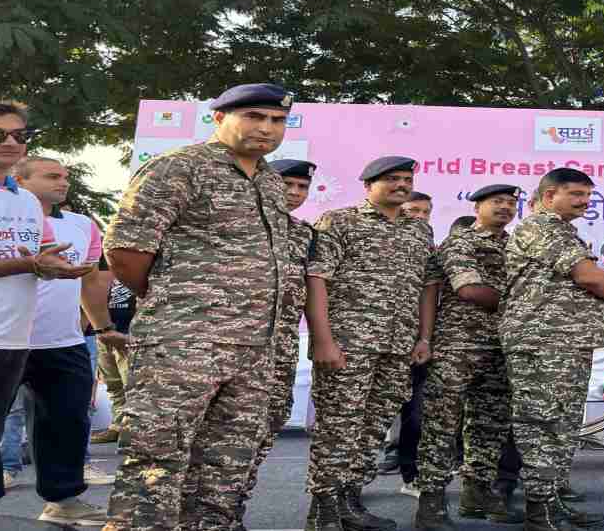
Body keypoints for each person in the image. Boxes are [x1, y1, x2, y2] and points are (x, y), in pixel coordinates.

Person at [102, 83, 295, 531]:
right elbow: (126, 251)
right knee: (155, 459)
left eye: (277, 120)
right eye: (254, 117)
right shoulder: (178, 169)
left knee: (225, 466)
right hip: (184, 342)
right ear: (219, 118)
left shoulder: (267, 178)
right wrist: (180, 303)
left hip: (253, 347)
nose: (266, 128)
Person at [502, 167, 604, 531]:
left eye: (588, 196)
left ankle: (551, 502)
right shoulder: (539, 226)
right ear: (549, 196)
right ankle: (539, 511)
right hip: (541, 341)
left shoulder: (562, 231)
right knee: (542, 423)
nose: (585, 202)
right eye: (576, 195)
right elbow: (586, 275)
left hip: (564, 342)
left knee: (563, 424)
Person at [303, 156, 440, 531]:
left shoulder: (419, 231)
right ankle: (323, 512)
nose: (401, 185)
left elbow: (429, 287)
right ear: (368, 185)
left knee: (372, 426)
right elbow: (317, 280)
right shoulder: (339, 221)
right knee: (338, 426)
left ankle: (349, 500)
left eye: (406, 179)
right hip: (349, 344)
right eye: (391, 179)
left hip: (398, 347)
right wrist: (323, 340)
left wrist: (424, 337)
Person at [0, 101, 94, 509]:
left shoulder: (23, 203)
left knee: (64, 419)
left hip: (16, 336)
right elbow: (20, 260)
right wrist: (29, 263)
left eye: (20, 135)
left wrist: (47, 266)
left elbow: (25, 258)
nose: (10, 142)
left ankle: (63, 499)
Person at [414, 185, 526, 529]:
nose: (506, 208)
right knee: (441, 425)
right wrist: (529, 304)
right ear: (478, 206)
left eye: (511, 203)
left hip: (501, 346)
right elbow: (470, 290)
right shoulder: (461, 242)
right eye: (497, 202)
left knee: (489, 425)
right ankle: (430, 503)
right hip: (457, 347)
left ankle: (477, 494)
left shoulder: (517, 246)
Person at [14, 157, 124, 506]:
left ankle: (63, 503)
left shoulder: (82, 224)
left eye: (65, 176)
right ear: (20, 179)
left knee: (67, 424)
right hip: (6, 340)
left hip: (64, 342)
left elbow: (91, 280)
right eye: (51, 176)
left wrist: (103, 327)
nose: (62, 183)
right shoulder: (8, 217)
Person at [234, 158, 319, 529]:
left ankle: (230, 506)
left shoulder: (304, 233)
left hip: (280, 345)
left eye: (303, 187)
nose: (295, 193)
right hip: (232, 343)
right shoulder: (236, 223)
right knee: (225, 431)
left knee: (268, 424)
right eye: (288, 184)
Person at [377, 191, 436, 498]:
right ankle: (351, 480)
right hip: (372, 340)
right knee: (366, 414)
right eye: (414, 210)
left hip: (413, 344)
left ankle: (410, 475)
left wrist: (424, 338)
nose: (420, 217)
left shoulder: (427, 245)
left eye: (426, 212)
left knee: (415, 413)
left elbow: (430, 291)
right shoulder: (374, 240)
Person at [90, 268, 136, 446]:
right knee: (113, 384)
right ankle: (117, 426)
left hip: (129, 332)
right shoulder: (99, 263)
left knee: (131, 384)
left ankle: (132, 430)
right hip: (103, 329)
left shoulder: (136, 262)